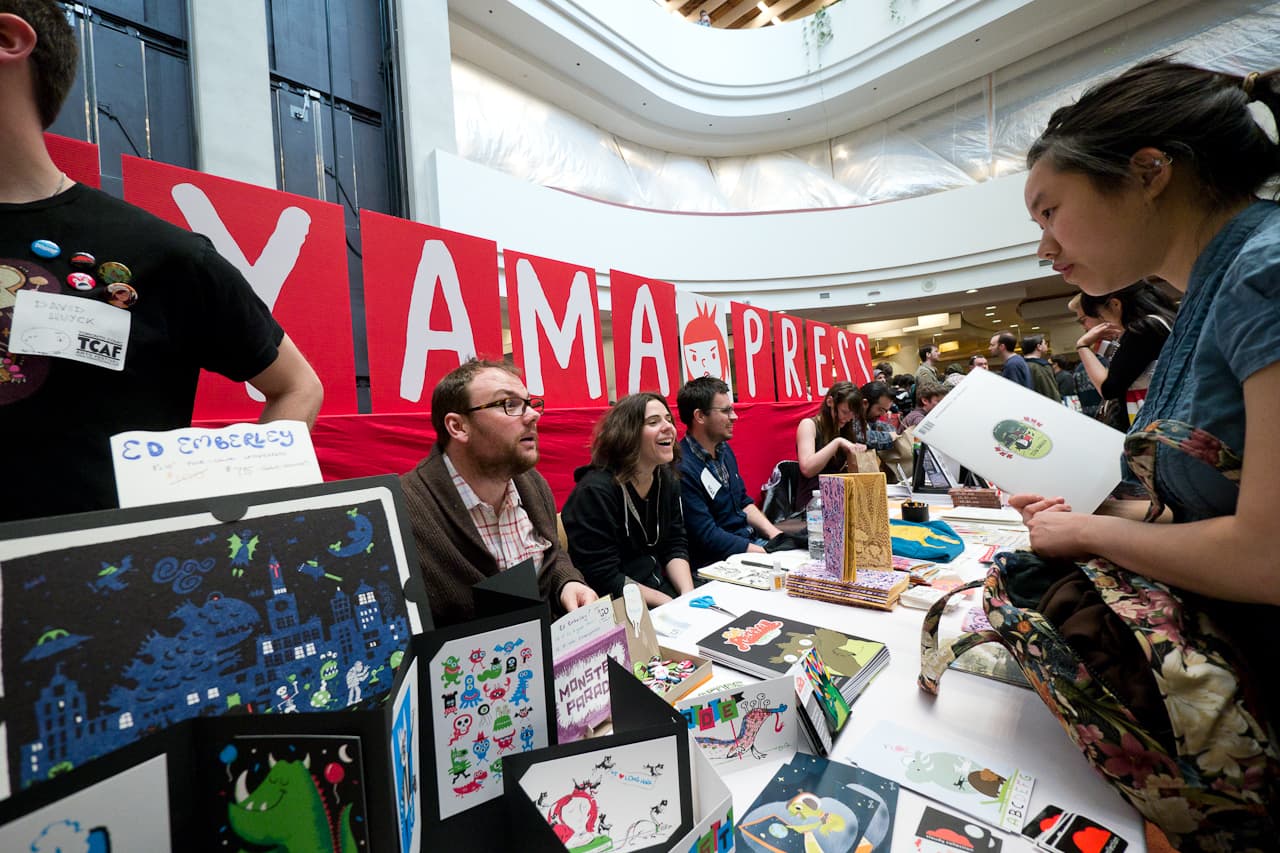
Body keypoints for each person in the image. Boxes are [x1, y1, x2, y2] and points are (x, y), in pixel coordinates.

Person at [1014, 58, 1280, 835]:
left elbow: (1268, 555)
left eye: (1050, 212)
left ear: (1149, 171)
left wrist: (1088, 530)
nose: (1045, 248)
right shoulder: (1217, 288)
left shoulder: (1262, 273)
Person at [0, 1, 323, 523]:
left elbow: (297, 386)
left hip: (94, 586)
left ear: (8, 39)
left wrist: (226, 521)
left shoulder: (161, 253)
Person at [400, 360, 596, 627]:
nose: (532, 415)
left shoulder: (534, 485)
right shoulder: (402, 511)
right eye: (509, 405)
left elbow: (551, 551)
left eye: (529, 403)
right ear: (458, 427)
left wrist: (567, 581)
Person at [562, 393, 693, 606]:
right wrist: (668, 603)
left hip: (662, 592)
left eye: (669, 419)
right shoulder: (595, 491)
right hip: (617, 603)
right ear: (628, 434)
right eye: (653, 421)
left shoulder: (667, 478)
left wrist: (688, 596)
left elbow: (675, 543)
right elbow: (602, 576)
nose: (668, 427)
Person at [676, 377, 782, 568]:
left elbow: (743, 501)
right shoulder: (682, 467)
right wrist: (764, 554)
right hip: (720, 562)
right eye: (726, 411)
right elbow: (706, 534)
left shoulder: (723, 450)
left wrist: (776, 536)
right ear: (699, 416)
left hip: (750, 546)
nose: (734, 416)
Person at [1075, 280, 1178, 427]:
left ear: (1115, 304)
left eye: (1101, 315)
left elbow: (1109, 389)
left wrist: (1082, 346)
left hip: (1157, 421)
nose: (1104, 321)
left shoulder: (1141, 329)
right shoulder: (1164, 319)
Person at [793, 381, 864, 511]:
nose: (848, 418)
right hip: (813, 503)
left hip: (840, 498)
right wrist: (837, 442)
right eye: (844, 412)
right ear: (830, 402)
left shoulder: (845, 428)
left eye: (852, 414)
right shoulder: (808, 425)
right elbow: (807, 469)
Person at [854, 381, 897, 451]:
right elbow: (861, 436)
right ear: (865, 403)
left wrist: (893, 433)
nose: (882, 415)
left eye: (886, 411)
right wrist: (890, 436)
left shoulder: (867, 417)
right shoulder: (850, 416)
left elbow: (879, 425)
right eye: (880, 409)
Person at [1021, 334, 1062, 401]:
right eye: (1045, 343)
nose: (1047, 345)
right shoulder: (1041, 367)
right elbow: (1051, 392)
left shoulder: (1020, 366)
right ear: (1039, 347)